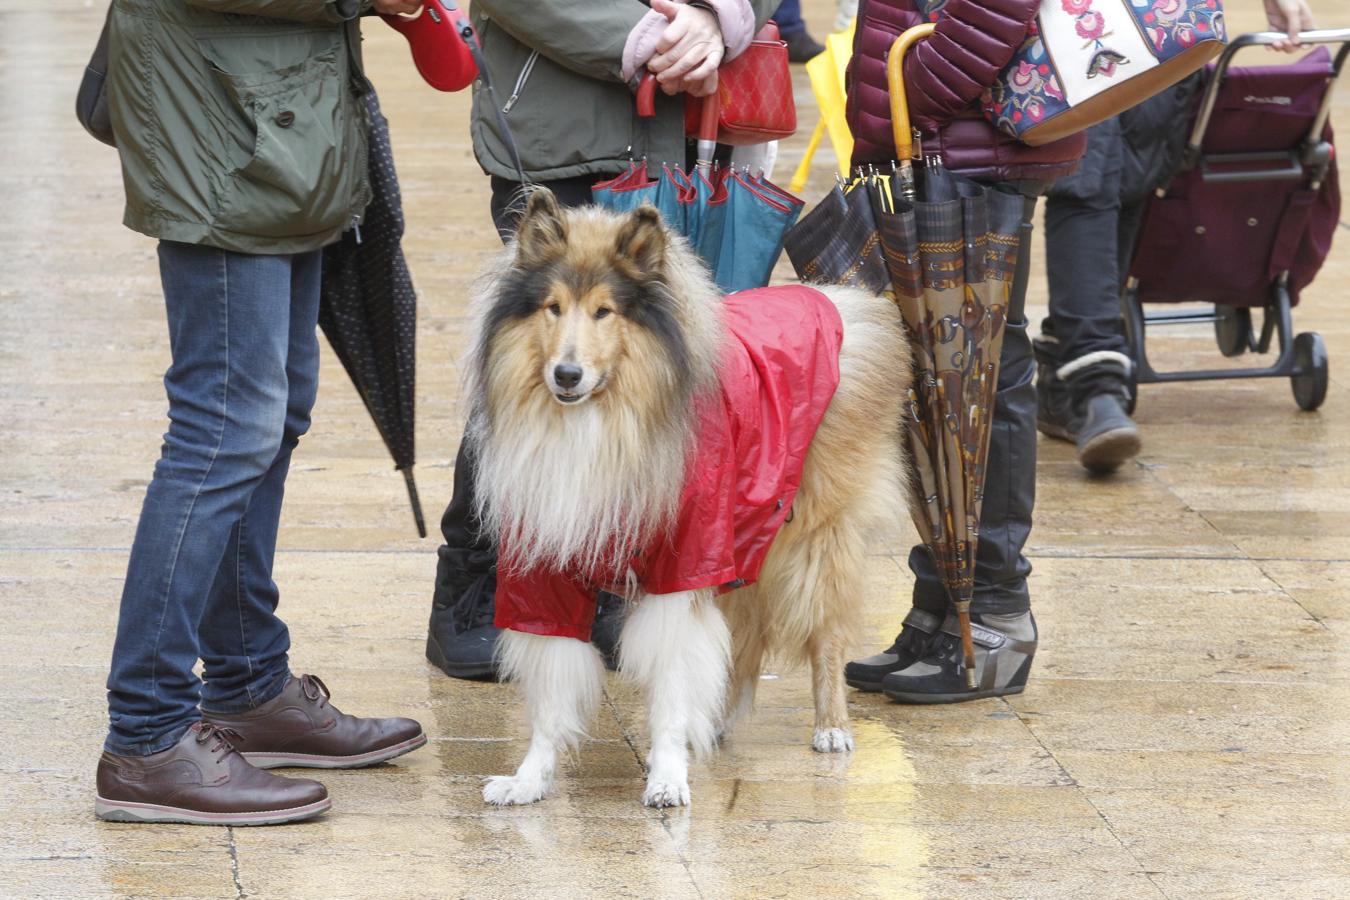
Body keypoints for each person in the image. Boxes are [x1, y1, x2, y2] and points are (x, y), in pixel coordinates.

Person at [95, 0, 427, 826]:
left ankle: (247, 684)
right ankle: (145, 735)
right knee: (221, 430)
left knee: (274, 415)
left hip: (284, 129)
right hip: (219, 132)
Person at [427, 0, 779, 681]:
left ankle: (614, 582)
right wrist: (643, 39)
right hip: (559, 124)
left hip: (686, 131)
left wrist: (719, 17)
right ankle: (473, 593)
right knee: (533, 365)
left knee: (647, 376)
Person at [841, 0, 1086, 702]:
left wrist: (901, 97)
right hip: (949, 140)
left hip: (972, 144)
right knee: (942, 379)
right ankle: (944, 606)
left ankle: (996, 617)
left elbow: (995, 13)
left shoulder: (923, 101)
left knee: (988, 378)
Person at [1035, 0, 1317, 475]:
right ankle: (1092, 382)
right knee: (1088, 174)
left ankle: (1069, 376)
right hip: (1067, 16)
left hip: (1166, 16)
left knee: (1134, 176)